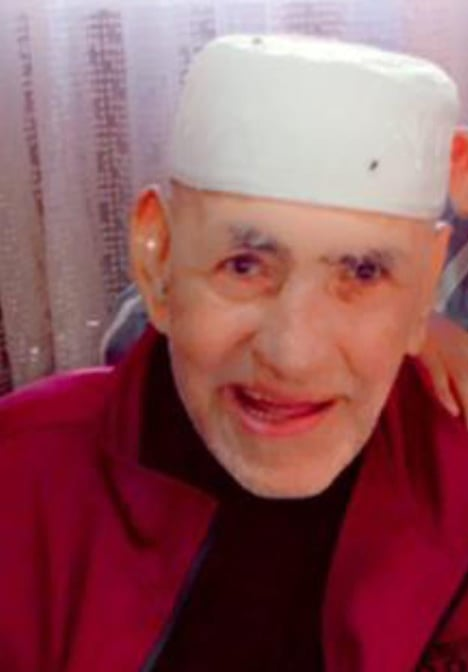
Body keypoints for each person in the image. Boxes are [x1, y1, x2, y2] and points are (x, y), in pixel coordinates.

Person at [2, 35, 468, 672]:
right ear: (158, 259)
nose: (293, 356)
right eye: (245, 265)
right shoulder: (19, 480)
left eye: (363, 272)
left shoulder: (451, 481)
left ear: (423, 288)